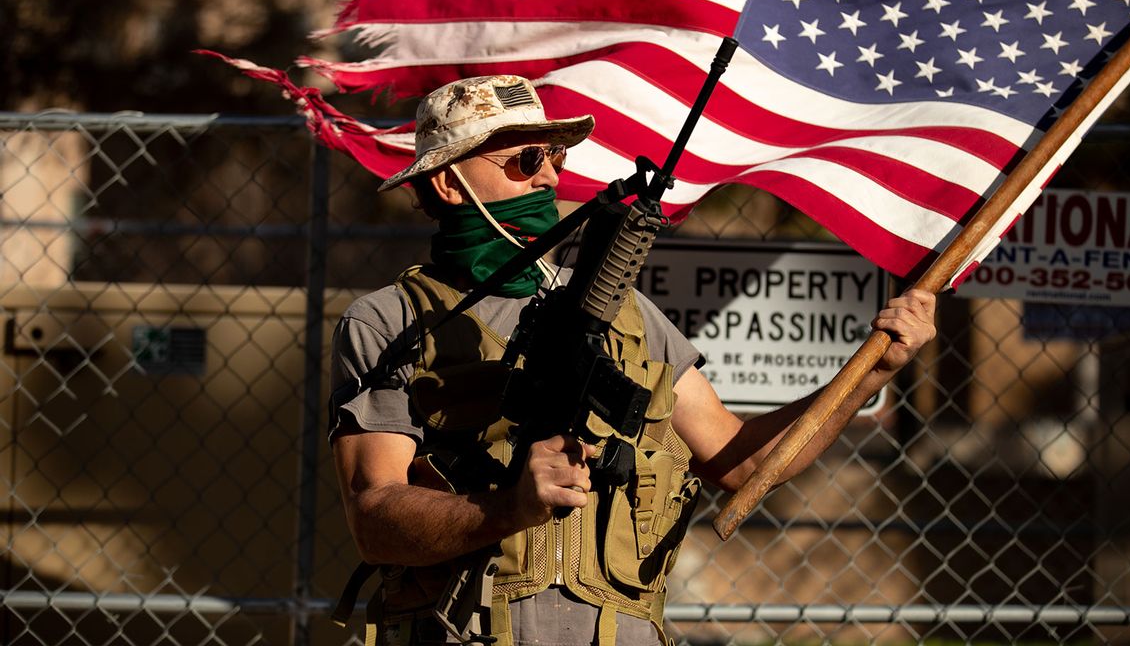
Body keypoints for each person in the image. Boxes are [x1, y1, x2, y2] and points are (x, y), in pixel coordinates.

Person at [328, 75, 937, 646]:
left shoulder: (627, 314)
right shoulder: (390, 321)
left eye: (555, 159)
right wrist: (505, 509)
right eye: (526, 159)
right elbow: (373, 516)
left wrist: (873, 369)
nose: (548, 179)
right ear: (448, 182)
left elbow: (745, 463)